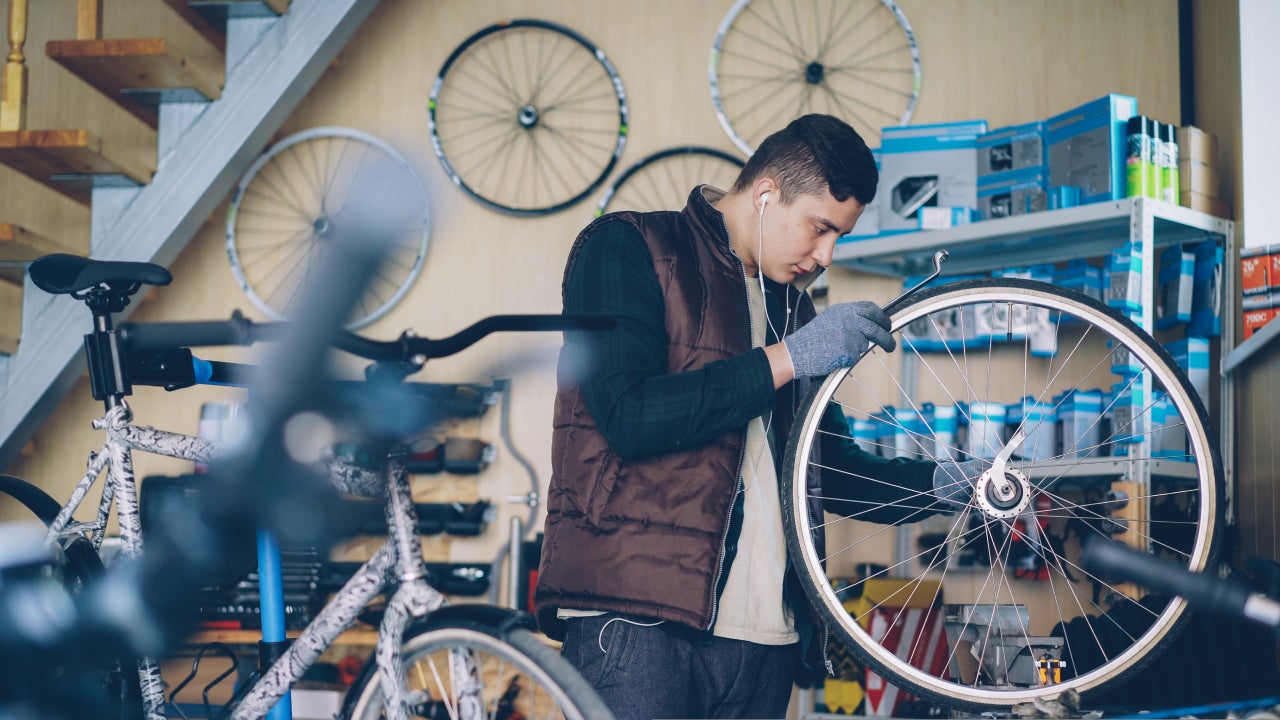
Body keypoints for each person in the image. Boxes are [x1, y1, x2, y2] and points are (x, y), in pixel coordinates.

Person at [535, 114, 966, 720]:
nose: (825, 255)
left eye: (838, 236)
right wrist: (789, 358)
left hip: (766, 641)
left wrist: (948, 487)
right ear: (767, 194)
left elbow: (826, 470)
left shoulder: (791, 306)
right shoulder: (628, 246)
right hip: (638, 625)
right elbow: (628, 415)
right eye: (820, 229)